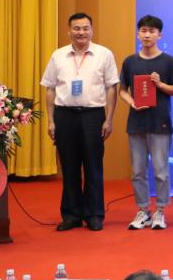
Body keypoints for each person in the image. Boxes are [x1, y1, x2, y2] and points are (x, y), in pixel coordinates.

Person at [40, 12, 120, 232]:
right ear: (69, 31)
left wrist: (109, 119)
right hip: (64, 115)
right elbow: (49, 89)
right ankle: (72, 215)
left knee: (94, 166)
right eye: (76, 28)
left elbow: (112, 88)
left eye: (85, 28)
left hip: (93, 115)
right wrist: (51, 121)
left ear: (92, 30)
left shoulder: (104, 54)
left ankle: (94, 214)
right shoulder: (58, 55)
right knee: (69, 167)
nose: (81, 32)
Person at [118, 15, 173, 231]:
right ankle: (143, 210)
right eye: (143, 31)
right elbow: (122, 90)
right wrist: (133, 103)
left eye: (152, 31)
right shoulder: (130, 61)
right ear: (138, 33)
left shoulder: (168, 61)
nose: (147, 35)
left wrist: (160, 84)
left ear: (159, 35)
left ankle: (160, 211)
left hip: (160, 123)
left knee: (161, 171)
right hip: (136, 123)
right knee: (137, 171)